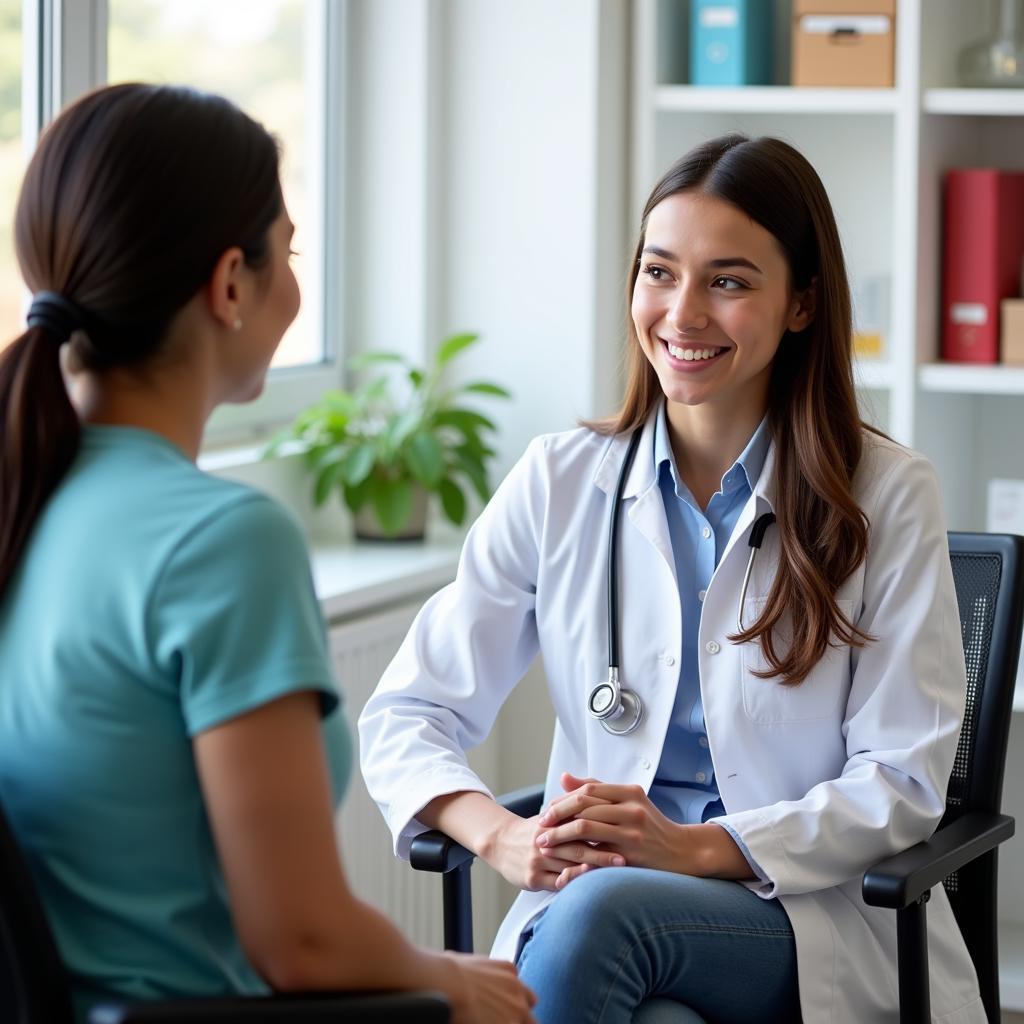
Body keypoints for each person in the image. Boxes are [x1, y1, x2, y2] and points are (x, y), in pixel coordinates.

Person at [359, 133, 987, 1023]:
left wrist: (694, 847)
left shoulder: (884, 494)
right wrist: (503, 836)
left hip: (798, 913)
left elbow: (903, 783)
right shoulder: (561, 479)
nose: (682, 313)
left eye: (728, 282)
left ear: (802, 303)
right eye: (659, 272)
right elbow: (404, 715)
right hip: (603, 917)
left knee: (603, 921)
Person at [0, 83, 535, 1024]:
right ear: (231, 285)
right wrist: (455, 982)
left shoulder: (23, 499)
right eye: (289, 253)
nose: (294, 283)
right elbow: (303, 942)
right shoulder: (217, 543)